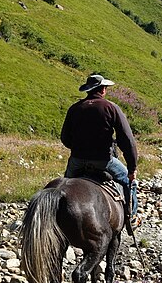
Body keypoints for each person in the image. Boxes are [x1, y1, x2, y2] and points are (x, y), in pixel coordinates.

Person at [60, 74, 140, 228]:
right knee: (129, 182)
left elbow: (65, 138)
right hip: (104, 161)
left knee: (63, 188)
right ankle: (131, 217)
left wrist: (79, 148)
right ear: (103, 89)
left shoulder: (74, 108)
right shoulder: (111, 107)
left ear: (88, 90)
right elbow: (127, 140)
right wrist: (132, 168)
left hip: (77, 160)